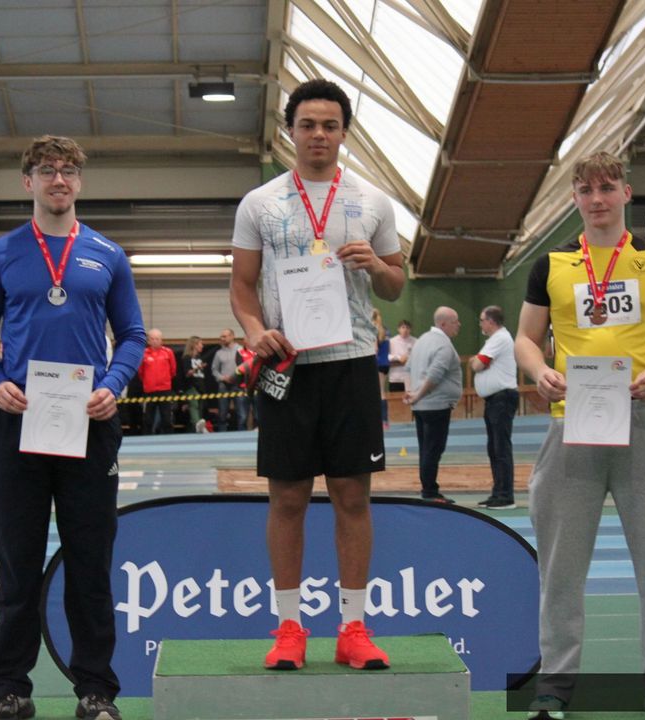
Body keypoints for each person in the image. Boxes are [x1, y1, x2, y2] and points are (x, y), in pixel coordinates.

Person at [0, 135, 146, 720]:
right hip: (18, 422)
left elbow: (133, 335)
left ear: (79, 182)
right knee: (16, 566)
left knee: (89, 565)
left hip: (88, 424)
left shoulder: (107, 255)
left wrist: (113, 385)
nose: (59, 179)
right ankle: (9, 692)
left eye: (68, 170)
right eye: (47, 170)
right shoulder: (2, 254)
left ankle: (96, 692)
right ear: (29, 181)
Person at [514, 151, 645, 720]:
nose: (597, 199)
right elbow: (526, 338)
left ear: (625, 193)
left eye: (606, 187)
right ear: (575, 197)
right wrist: (538, 370)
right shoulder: (551, 265)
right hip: (573, 424)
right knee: (560, 569)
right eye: (586, 190)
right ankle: (554, 687)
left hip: (643, 423)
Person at [229, 78, 405, 671]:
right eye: (307, 125)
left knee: (353, 495)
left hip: (352, 364)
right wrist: (254, 332)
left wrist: (376, 264)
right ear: (291, 131)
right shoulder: (260, 203)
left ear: (344, 133)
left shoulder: (373, 202)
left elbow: (395, 285)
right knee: (288, 498)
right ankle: (288, 628)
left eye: (330, 125)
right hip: (287, 366)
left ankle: (353, 628)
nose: (319, 135)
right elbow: (242, 287)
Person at [405, 307, 463, 504]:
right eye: (455, 321)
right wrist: (417, 394)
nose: (459, 325)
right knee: (433, 449)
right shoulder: (443, 345)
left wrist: (411, 392)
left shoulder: (421, 340)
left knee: (426, 449)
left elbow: (407, 368)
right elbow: (435, 375)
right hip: (436, 405)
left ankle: (428, 488)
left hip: (421, 406)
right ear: (443, 324)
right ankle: (430, 491)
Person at [470, 305, 519, 509]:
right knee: (495, 448)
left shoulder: (500, 339)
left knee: (501, 448)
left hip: (502, 398)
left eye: (482, 320)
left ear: (491, 321)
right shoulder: (494, 340)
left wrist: (476, 361)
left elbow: (477, 364)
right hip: (495, 400)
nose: (480, 324)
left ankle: (505, 496)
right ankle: (498, 492)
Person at [138, 328, 177, 434]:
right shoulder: (143, 354)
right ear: (148, 340)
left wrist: (165, 381)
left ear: (161, 340)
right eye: (152, 339)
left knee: (167, 418)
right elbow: (140, 372)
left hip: (165, 389)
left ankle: (170, 439)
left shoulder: (168, 352)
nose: (155, 341)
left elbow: (173, 370)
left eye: (157, 339)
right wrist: (148, 382)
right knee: (148, 419)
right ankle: (146, 438)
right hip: (149, 390)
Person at [211, 328, 247, 431]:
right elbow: (214, 370)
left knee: (242, 414)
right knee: (222, 414)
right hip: (223, 385)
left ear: (232, 336)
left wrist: (235, 377)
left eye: (224, 336)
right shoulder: (219, 353)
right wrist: (222, 378)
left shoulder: (240, 350)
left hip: (238, 384)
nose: (222, 339)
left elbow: (246, 366)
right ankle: (221, 436)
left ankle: (243, 436)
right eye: (221, 337)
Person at [181, 336, 208, 432]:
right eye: (200, 344)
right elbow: (187, 373)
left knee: (200, 407)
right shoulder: (186, 358)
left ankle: (198, 428)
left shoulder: (199, 357)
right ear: (194, 345)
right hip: (191, 385)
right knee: (194, 405)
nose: (202, 346)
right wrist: (197, 368)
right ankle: (197, 424)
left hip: (200, 385)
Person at [372, 308, 390, 427]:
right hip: (385, 364)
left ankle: (383, 420)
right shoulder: (385, 330)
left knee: (378, 393)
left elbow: (375, 349)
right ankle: (384, 420)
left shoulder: (373, 329)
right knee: (382, 391)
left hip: (377, 363)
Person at [387, 319, 416, 392]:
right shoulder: (391, 341)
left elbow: (418, 360)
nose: (405, 330)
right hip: (395, 379)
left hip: (410, 379)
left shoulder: (416, 341)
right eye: (403, 327)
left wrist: (407, 360)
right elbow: (386, 359)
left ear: (410, 329)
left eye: (407, 328)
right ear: (398, 329)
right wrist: (399, 359)